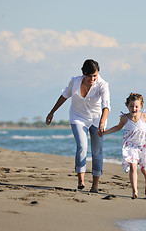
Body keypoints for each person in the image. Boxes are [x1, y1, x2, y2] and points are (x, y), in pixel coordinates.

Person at [45, 59, 110, 193]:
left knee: (97, 151)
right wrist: (52, 112)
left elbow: (106, 106)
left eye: (95, 76)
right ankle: (81, 180)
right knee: (82, 146)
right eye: (89, 76)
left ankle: (95, 186)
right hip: (78, 117)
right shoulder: (75, 82)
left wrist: (102, 122)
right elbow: (64, 96)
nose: (92, 79)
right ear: (83, 73)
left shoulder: (102, 85)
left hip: (98, 119)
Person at [102, 93, 146, 199]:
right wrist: (105, 132)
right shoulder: (124, 118)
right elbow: (118, 127)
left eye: (136, 106)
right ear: (127, 106)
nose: (134, 108)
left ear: (141, 107)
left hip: (143, 146)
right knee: (133, 165)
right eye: (131, 106)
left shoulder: (143, 116)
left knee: (144, 169)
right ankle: (134, 191)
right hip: (130, 146)